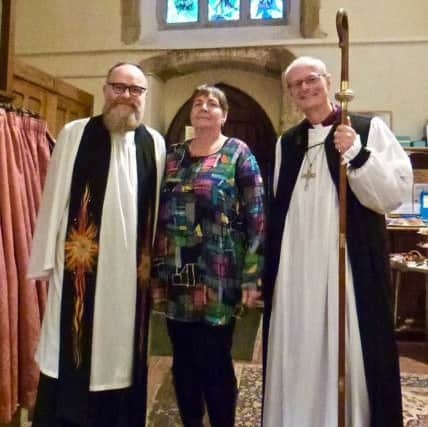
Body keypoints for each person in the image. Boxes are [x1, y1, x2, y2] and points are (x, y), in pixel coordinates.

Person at [263, 56, 413, 427]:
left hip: (346, 268)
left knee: (349, 348)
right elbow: (278, 207)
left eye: (311, 79)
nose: (305, 88)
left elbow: (392, 195)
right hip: (295, 273)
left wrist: (358, 154)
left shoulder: (366, 128)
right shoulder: (287, 143)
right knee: (297, 346)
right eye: (296, 84)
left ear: (329, 81)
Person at [27, 62, 165, 427]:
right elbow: (54, 196)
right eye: (119, 87)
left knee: (123, 357)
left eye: (136, 90)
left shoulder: (154, 143)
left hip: (131, 278)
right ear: (105, 90)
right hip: (80, 269)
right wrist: (43, 260)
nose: (127, 97)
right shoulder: (75, 134)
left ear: (144, 97)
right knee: (72, 349)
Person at [151, 84, 264, 427]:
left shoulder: (237, 153)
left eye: (211, 104)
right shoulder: (171, 155)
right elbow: (155, 214)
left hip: (219, 273)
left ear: (224, 115)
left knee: (215, 358)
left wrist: (252, 274)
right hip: (176, 273)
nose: (203, 107)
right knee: (182, 359)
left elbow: (257, 215)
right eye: (197, 102)